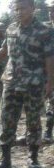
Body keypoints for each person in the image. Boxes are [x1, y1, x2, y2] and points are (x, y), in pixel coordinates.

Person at [0, 0, 54, 168]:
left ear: (33, 8)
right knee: (7, 119)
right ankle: (6, 158)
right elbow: (4, 52)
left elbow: (50, 58)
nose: (19, 12)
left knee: (33, 122)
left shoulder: (45, 31)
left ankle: (33, 158)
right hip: (11, 82)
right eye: (16, 9)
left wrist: (50, 83)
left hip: (34, 83)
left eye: (23, 8)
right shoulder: (11, 29)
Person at [46, 3, 54, 142]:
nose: (51, 13)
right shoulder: (45, 30)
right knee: (51, 102)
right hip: (48, 72)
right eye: (50, 11)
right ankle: (48, 131)